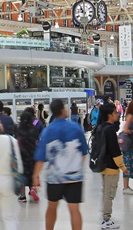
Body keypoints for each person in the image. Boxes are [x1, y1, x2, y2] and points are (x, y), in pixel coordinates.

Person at [32, 97, 88, 230]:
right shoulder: (75, 128)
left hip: (54, 177)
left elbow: (41, 156)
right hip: (74, 176)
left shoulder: (48, 131)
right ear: (63, 110)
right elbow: (84, 152)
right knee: (74, 208)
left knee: (52, 206)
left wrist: (35, 176)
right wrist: (77, 166)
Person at [93, 102, 127, 230]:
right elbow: (115, 151)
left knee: (106, 191)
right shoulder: (110, 130)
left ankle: (105, 217)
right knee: (109, 193)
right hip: (111, 167)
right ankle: (106, 219)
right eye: (114, 112)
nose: (117, 114)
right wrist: (123, 167)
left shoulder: (100, 128)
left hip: (102, 165)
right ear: (109, 115)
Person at [16, 107, 40, 202]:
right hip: (33, 154)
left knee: (22, 175)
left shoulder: (19, 129)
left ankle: (23, 196)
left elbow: (16, 141)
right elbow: (37, 139)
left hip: (21, 155)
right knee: (32, 173)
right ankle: (32, 189)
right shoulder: (34, 128)